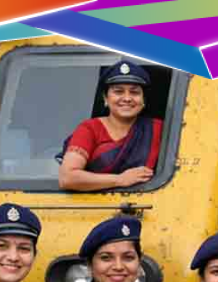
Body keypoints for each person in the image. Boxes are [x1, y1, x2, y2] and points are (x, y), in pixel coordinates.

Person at [57, 60, 163, 191]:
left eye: (134, 92)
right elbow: (68, 178)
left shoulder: (158, 129)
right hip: (97, 205)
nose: (127, 98)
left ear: (143, 100)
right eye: (118, 92)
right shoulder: (90, 129)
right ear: (106, 99)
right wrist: (120, 179)